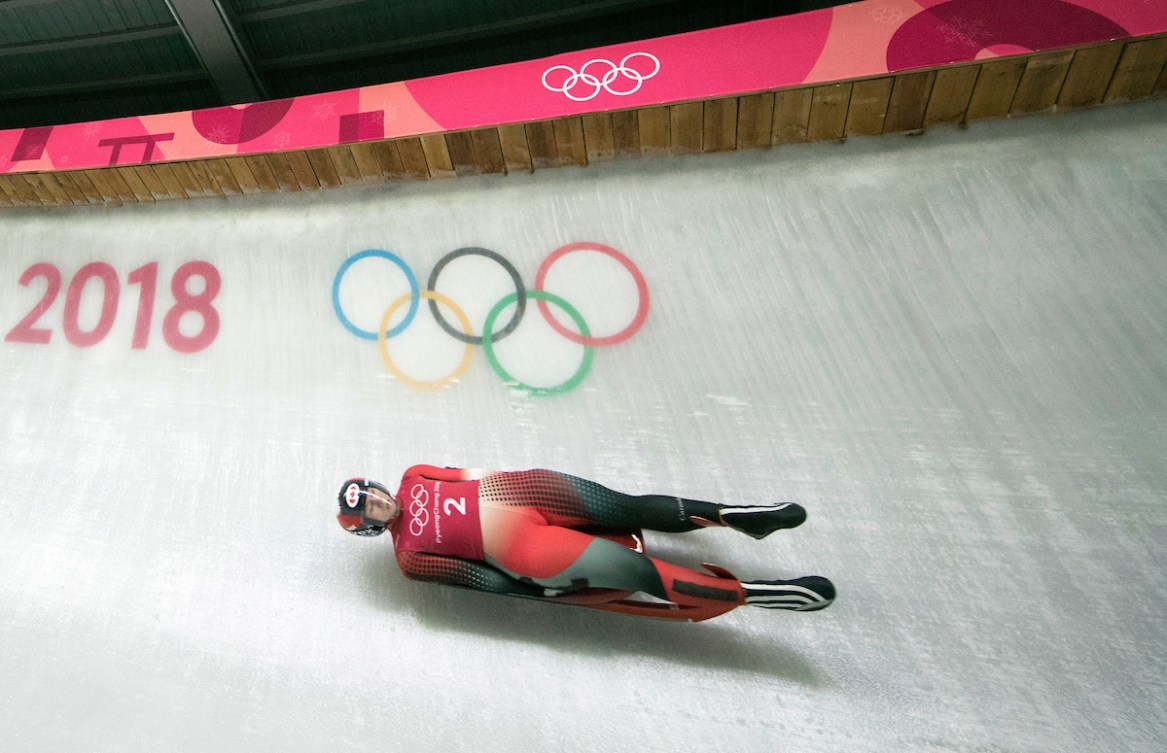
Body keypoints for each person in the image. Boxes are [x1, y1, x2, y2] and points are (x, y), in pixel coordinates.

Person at [336, 465, 835, 621]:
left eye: (375, 496)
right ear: (371, 526)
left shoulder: (413, 475)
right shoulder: (409, 558)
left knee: (625, 506)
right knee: (634, 571)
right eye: (372, 510)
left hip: (524, 491)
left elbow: (470, 472)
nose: (381, 504)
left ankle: (735, 516)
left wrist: (522, 477)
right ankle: (758, 593)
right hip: (521, 549)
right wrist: (533, 592)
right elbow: (478, 579)